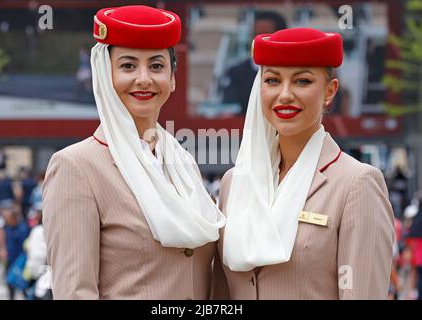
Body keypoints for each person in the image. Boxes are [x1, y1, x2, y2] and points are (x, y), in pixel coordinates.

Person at [43, 5, 225, 299]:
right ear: (104, 74)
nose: (144, 79)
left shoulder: (183, 163)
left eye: (156, 66)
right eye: (128, 66)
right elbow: (75, 292)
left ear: (173, 79)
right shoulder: (76, 167)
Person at [212, 28, 394, 299]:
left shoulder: (357, 184)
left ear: (330, 91)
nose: (285, 95)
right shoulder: (235, 182)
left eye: (302, 81)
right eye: (272, 80)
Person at [220, 11, 287, 116]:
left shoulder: (294, 69)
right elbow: (229, 108)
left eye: (267, 36)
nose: (260, 41)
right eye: (256, 35)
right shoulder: (237, 72)